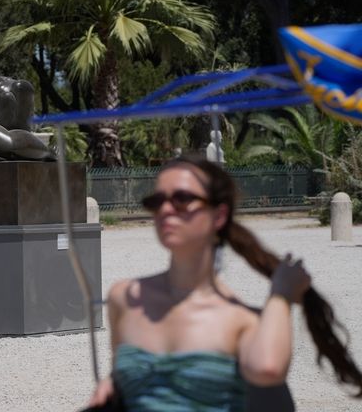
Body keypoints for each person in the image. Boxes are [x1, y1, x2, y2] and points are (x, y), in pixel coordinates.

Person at [88, 155, 362, 410]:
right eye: (157, 201)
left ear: (218, 216)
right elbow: (123, 379)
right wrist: (112, 385)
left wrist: (281, 294)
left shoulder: (242, 320)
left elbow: (268, 368)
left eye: (182, 199)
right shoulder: (123, 297)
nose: (166, 210)